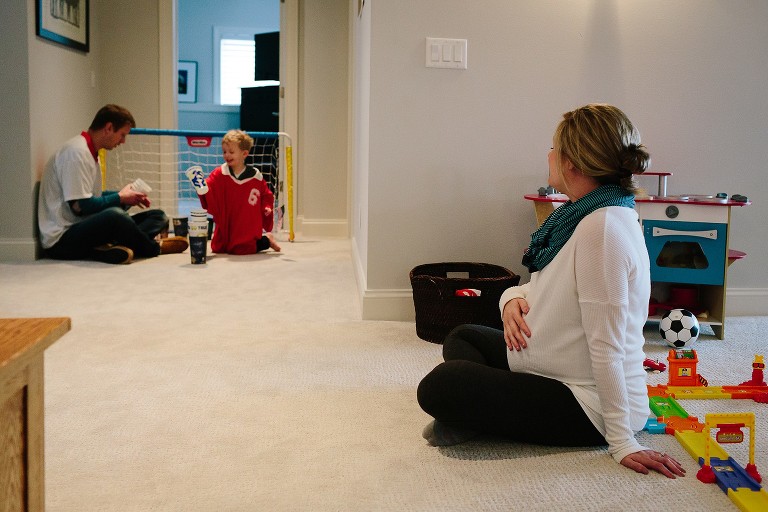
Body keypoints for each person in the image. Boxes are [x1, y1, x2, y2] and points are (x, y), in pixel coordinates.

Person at [417, 104, 686, 479]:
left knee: (440, 386)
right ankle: (476, 416)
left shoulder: (602, 230)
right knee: (464, 337)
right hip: (550, 365)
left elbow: (606, 344)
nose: (548, 155)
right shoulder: (585, 213)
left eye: (553, 148)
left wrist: (623, 441)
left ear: (572, 164)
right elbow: (549, 285)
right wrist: (512, 300)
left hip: (585, 401)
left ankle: (472, 415)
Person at [38, 104, 188, 264]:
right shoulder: (76, 153)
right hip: (62, 240)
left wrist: (125, 196)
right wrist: (120, 198)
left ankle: (112, 248)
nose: (123, 141)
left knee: (158, 216)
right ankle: (153, 248)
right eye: (122, 135)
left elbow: (92, 197)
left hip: (81, 227)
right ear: (109, 128)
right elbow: (80, 207)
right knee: (116, 216)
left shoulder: (90, 153)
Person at [187, 129, 281, 255]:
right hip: (227, 220)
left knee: (241, 249)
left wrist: (266, 207)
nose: (227, 155)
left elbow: (265, 194)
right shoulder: (220, 173)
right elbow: (208, 189)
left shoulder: (255, 176)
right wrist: (201, 187)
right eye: (224, 152)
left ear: (244, 154)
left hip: (246, 222)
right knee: (218, 248)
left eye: (231, 152)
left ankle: (266, 240)